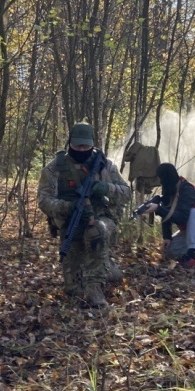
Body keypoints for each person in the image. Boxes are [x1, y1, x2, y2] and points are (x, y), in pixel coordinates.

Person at [38, 122, 131, 308]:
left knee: (96, 231)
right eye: (77, 145)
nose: (81, 149)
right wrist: (68, 207)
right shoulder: (54, 168)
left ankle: (95, 287)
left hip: (102, 220)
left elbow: (127, 193)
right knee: (73, 290)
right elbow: (44, 200)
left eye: (85, 146)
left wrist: (107, 188)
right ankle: (108, 267)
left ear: (92, 144)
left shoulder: (105, 166)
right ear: (69, 143)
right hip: (70, 221)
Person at [144, 163, 195, 268]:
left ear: (166, 178)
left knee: (193, 213)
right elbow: (167, 213)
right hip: (192, 228)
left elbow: (182, 217)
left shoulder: (187, 189)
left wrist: (158, 208)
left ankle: (191, 257)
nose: (159, 182)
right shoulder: (169, 191)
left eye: (160, 178)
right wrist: (167, 236)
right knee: (170, 252)